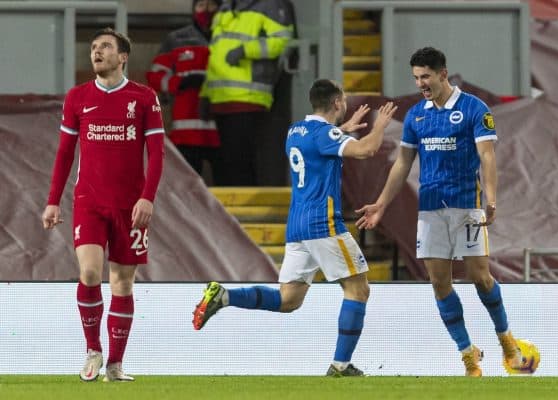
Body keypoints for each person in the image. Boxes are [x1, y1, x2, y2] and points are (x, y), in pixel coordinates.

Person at [192, 79, 397, 376]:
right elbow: (366, 150)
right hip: (323, 224)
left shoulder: (295, 131)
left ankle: (224, 296)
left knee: (289, 299)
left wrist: (343, 129)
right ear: (337, 103)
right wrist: (380, 125)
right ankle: (341, 365)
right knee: (358, 289)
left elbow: (320, 143)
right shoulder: (325, 134)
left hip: (298, 225)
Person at [356, 47, 527, 377]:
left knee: (479, 276)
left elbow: (487, 156)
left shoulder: (474, 109)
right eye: (416, 78)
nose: (421, 83)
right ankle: (468, 354)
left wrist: (491, 198)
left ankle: (506, 338)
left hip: (466, 207)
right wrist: (381, 202)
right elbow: (403, 162)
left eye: (426, 76)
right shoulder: (417, 116)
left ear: (443, 74)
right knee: (438, 283)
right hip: (431, 210)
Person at [42, 28, 165, 382]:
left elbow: (156, 154)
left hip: (131, 206)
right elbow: (65, 154)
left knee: (123, 285)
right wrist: (53, 201)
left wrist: (147, 197)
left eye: (105, 47)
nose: (96, 52)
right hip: (89, 201)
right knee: (91, 273)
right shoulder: (77, 97)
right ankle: (92, 350)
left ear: (123, 56)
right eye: (94, 47)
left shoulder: (143, 98)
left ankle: (115, 364)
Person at [203, 0, 295, 186]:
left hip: (248, 97)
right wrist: (205, 94)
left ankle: (240, 210)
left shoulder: (269, 6)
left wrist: (245, 50)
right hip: (220, 98)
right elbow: (214, 56)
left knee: (240, 162)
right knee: (225, 162)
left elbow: (283, 41)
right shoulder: (226, 8)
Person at [146, 0, 220, 179]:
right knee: (187, 189)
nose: (206, 10)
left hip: (223, 128)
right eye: (201, 5)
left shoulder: (229, 36)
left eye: (212, 5)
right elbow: (155, 75)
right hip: (187, 133)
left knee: (229, 186)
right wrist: (180, 82)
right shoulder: (176, 39)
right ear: (193, 9)